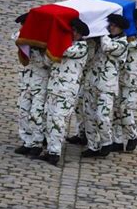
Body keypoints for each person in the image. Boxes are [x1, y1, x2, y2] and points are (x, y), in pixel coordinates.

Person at [37, 18, 89, 165]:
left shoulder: (81, 47)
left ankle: (55, 153)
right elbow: (47, 62)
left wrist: (55, 40)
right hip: (54, 87)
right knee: (49, 118)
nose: (70, 33)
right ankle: (50, 149)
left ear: (79, 33)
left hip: (66, 90)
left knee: (58, 121)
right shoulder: (63, 45)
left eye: (73, 31)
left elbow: (64, 51)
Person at [82, 14, 129, 157]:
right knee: (88, 115)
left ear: (120, 29)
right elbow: (89, 56)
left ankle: (106, 143)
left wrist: (102, 33)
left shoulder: (122, 43)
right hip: (92, 82)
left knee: (102, 116)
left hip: (107, 85)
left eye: (114, 26)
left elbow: (107, 47)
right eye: (110, 25)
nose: (111, 27)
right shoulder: (100, 41)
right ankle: (92, 146)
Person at [113, 9, 137, 152]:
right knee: (115, 109)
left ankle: (132, 136)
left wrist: (125, 34)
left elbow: (133, 45)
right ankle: (116, 140)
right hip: (119, 75)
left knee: (125, 110)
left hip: (132, 79)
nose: (136, 24)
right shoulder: (127, 33)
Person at [13, 13, 50, 158]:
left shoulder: (44, 42)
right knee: (23, 111)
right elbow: (16, 37)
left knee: (36, 114)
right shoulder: (25, 38)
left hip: (40, 83)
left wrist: (37, 50)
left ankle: (37, 143)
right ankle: (27, 142)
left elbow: (47, 63)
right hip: (26, 81)